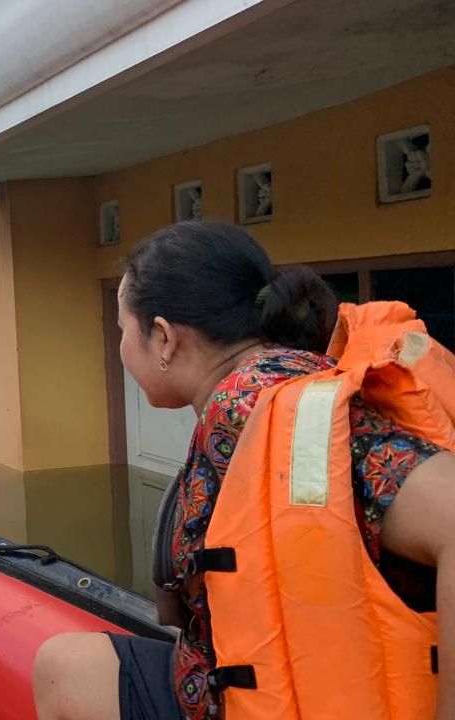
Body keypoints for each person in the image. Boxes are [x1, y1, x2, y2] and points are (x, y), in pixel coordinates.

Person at [32, 221, 455, 720]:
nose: (122, 346)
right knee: (70, 665)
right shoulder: (280, 387)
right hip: (253, 682)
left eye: (123, 329)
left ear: (164, 338)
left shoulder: (266, 411)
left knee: (61, 668)